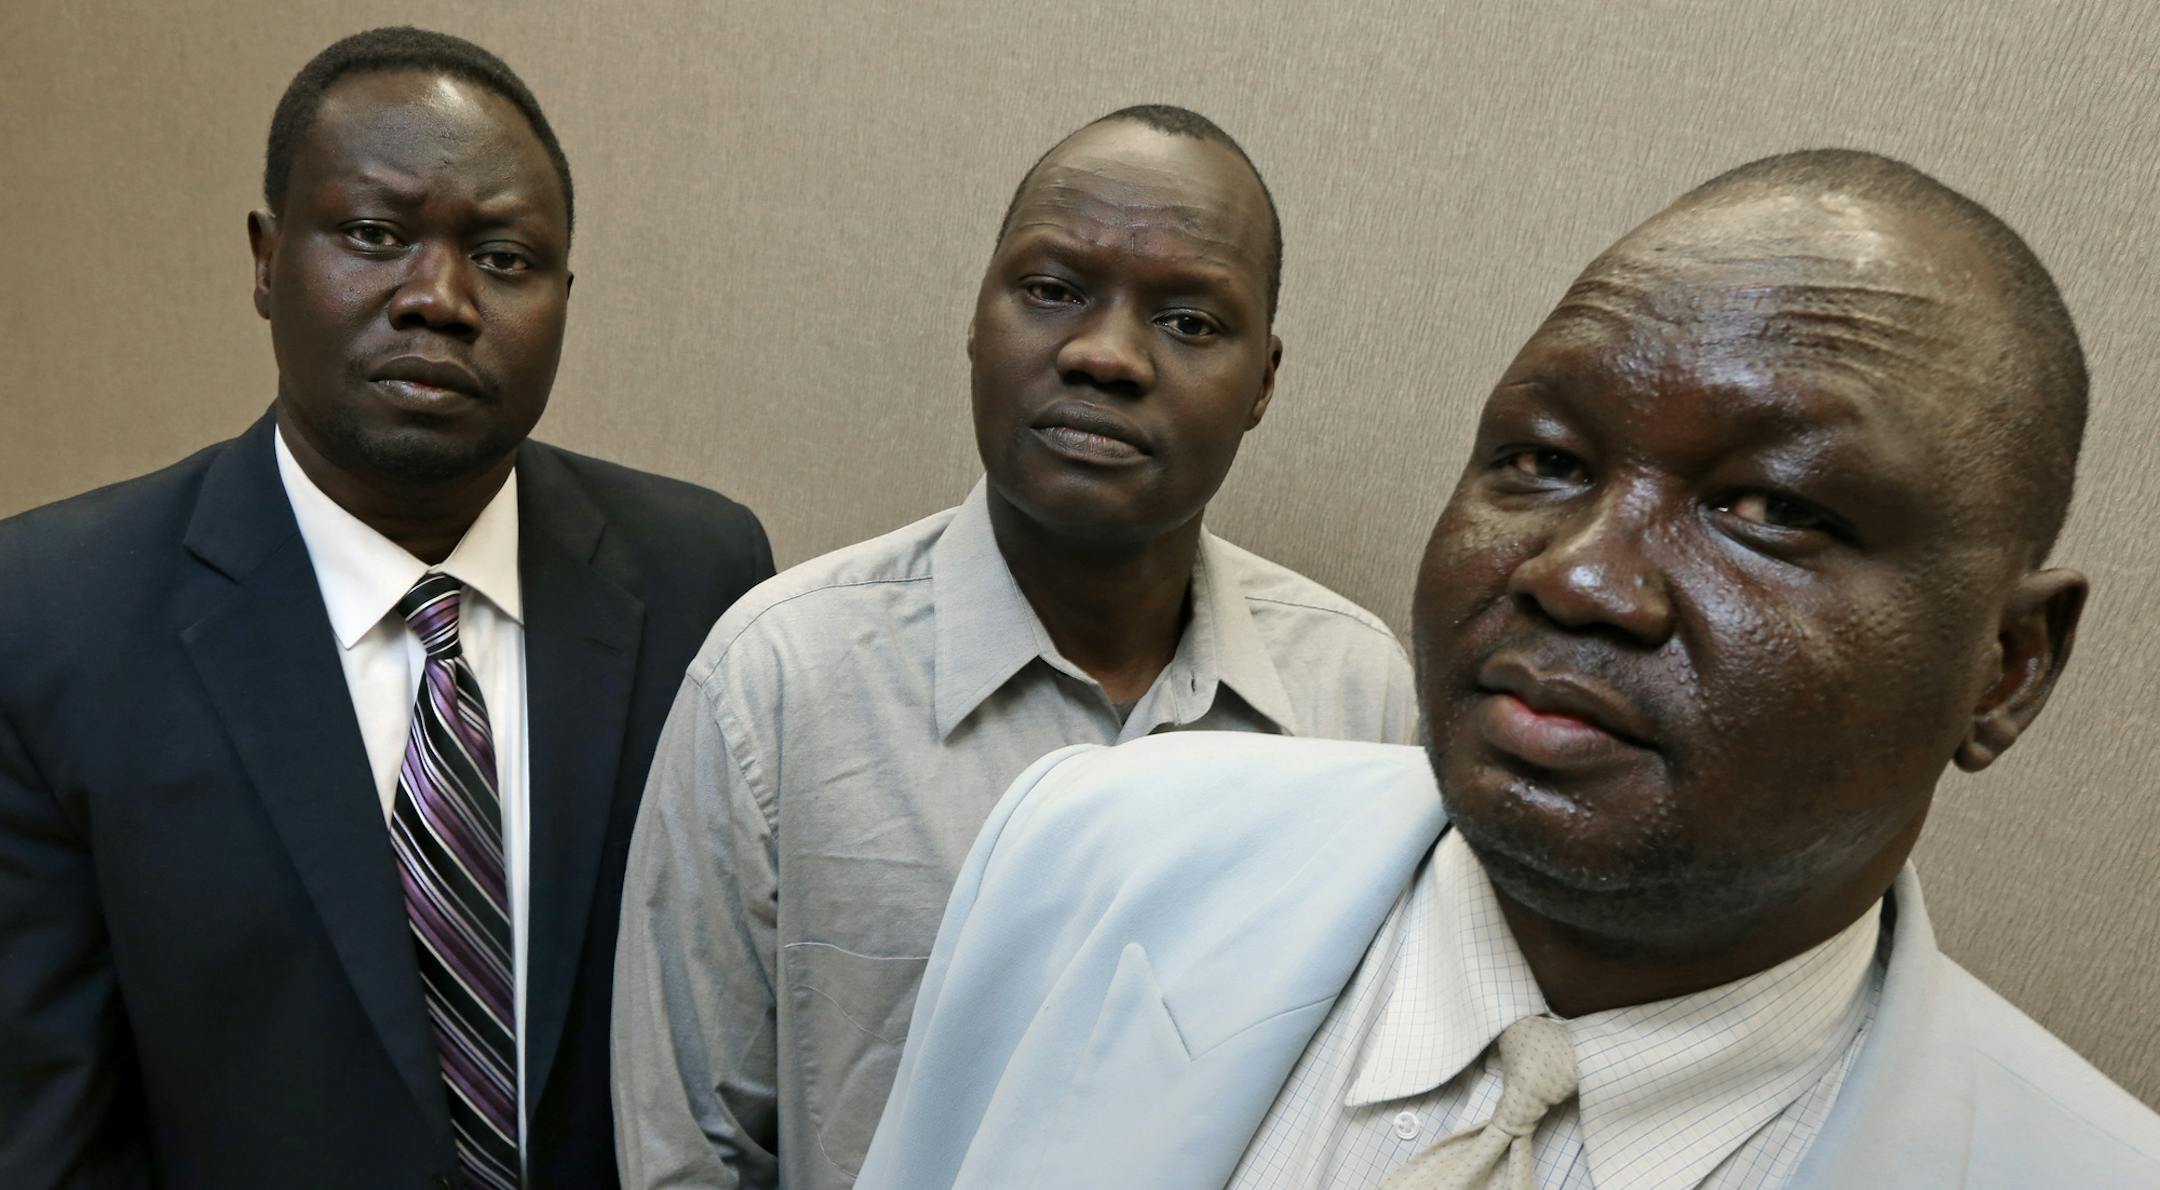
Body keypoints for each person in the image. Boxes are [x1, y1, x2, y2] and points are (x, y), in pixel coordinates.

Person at [859, 149, 2160, 1188]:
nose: (1579, 573)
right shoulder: (1086, 847)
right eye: (1542, 458)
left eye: (1768, 506)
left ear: (2006, 668)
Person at [0, 27, 773, 1190]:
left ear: (565, 297)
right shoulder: (52, 614)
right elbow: (45, 1123)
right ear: (267, 260)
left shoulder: (697, 575)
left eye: (505, 258)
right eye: (374, 235)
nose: (439, 298)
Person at [610, 105, 1418, 1189]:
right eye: (1051, 290)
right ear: (978, 323)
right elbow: (689, 1153)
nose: (1104, 353)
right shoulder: (780, 679)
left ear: (1264, 379)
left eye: (1187, 320)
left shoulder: (1358, 699)